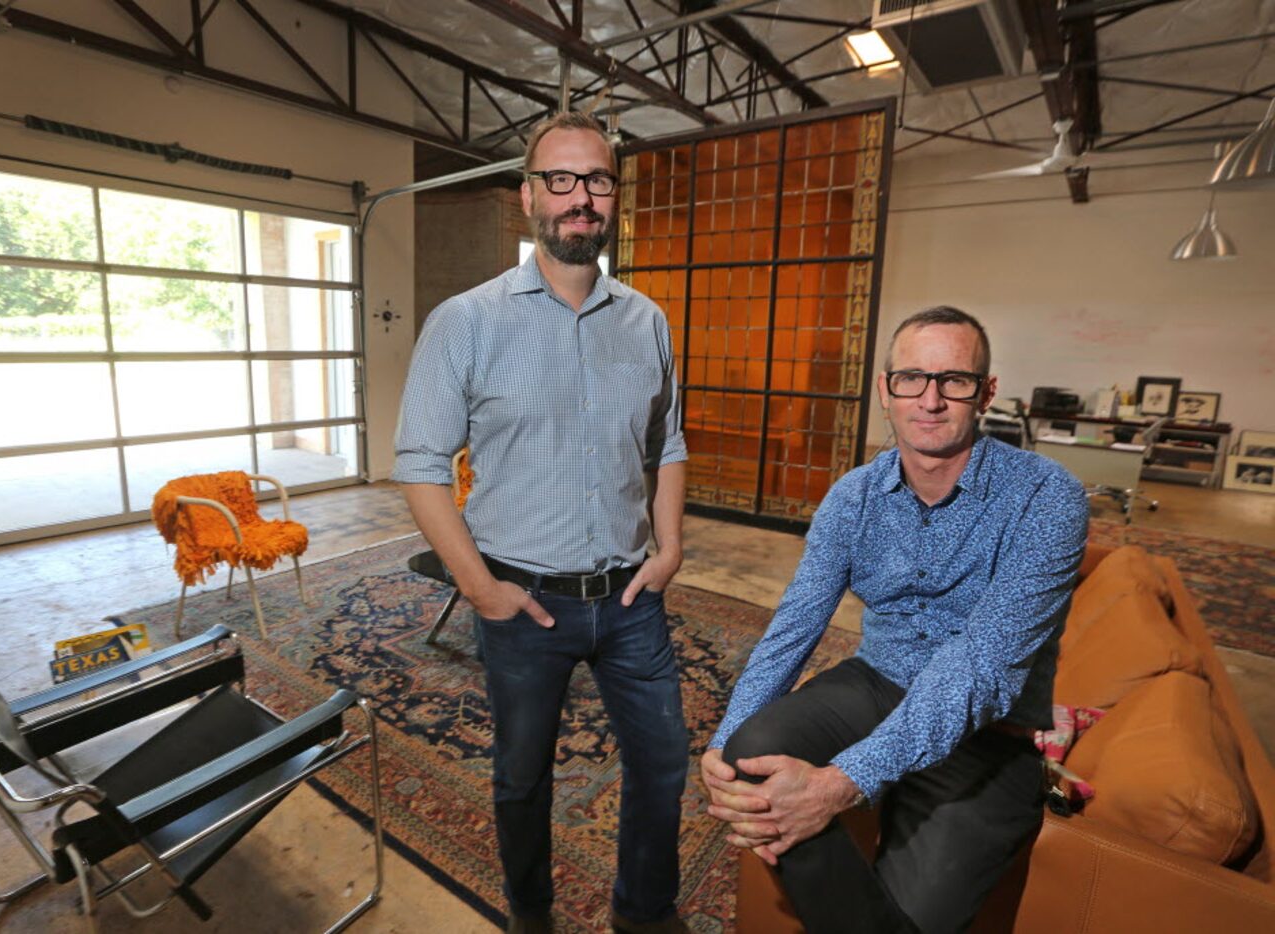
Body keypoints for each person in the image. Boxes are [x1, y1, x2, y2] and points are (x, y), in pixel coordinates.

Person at [392, 110, 691, 934]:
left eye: (596, 180)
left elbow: (667, 441)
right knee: (522, 774)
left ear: (612, 198)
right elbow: (419, 463)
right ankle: (531, 913)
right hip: (523, 602)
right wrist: (480, 589)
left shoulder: (648, 321)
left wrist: (669, 549)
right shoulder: (468, 321)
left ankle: (645, 912)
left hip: (633, 598)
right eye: (560, 180)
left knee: (664, 766)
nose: (579, 197)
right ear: (529, 196)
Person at [700, 307, 1089, 933]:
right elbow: (797, 622)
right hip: (876, 681)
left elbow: (981, 666)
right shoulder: (853, 496)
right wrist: (723, 739)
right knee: (749, 753)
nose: (930, 400)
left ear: (985, 393)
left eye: (953, 380)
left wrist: (844, 782)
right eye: (911, 378)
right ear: (886, 390)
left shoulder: (1047, 497)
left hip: (988, 730)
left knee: (914, 916)